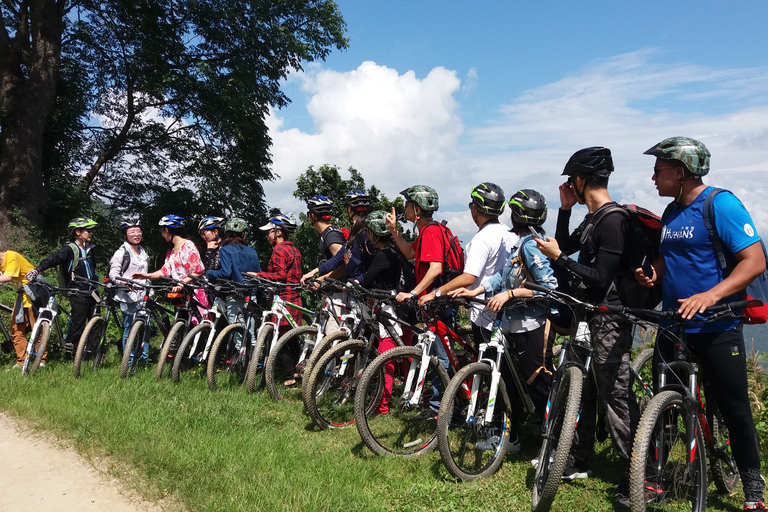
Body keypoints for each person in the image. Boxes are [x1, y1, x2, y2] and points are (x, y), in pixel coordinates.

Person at [636, 136, 766, 511]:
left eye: (659, 170)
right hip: (674, 325)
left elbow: (753, 260)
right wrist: (653, 273)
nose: (653, 177)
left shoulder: (720, 205)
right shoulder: (671, 213)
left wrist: (711, 295)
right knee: (661, 405)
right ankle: (656, 480)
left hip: (717, 326)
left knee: (736, 408)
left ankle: (753, 492)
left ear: (680, 172)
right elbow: (668, 257)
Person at [535, 147, 639, 503]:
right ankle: (578, 457)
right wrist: (564, 211)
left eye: (570, 181)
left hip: (609, 318)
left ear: (581, 179)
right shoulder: (593, 217)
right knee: (587, 390)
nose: (569, 186)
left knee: (616, 397)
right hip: (589, 316)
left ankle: (637, 472)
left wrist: (561, 260)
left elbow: (599, 277)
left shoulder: (612, 221)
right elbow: (563, 244)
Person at [451, 189, 557, 452]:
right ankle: (511, 437)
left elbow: (548, 287)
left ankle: (556, 446)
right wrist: (477, 290)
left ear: (518, 215)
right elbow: (503, 274)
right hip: (514, 323)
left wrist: (510, 293)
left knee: (538, 384)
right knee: (509, 382)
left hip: (532, 325)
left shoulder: (532, 244)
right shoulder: (521, 242)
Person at [385, 185, 458, 416]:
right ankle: (441, 407)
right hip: (433, 305)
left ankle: (442, 410)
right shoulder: (425, 231)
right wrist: (394, 231)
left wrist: (415, 292)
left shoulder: (431, 232)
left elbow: (435, 269)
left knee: (441, 360)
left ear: (416, 208)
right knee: (436, 356)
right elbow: (409, 253)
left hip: (438, 304)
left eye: (408, 204)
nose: (405, 208)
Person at [360, 210, 414, 414]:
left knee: (386, 358)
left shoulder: (382, 254)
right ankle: (416, 395)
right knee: (408, 355)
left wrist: (357, 284)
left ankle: (382, 404)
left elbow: (367, 281)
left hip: (390, 310)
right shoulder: (398, 251)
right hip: (406, 310)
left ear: (373, 233)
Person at [25, 217, 99, 356]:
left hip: (93, 290)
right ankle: (74, 353)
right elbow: (53, 259)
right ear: (78, 232)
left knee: (95, 322)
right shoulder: (69, 249)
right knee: (79, 323)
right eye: (88, 231)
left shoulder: (90, 249)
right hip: (78, 291)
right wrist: (38, 269)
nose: (91, 233)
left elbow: (92, 268)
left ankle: (93, 353)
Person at [132, 214, 207, 326]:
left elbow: (199, 270)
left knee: (192, 326)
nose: (162, 235)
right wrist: (146, 276)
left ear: (166, 230)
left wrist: (183, 283)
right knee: (180, 324)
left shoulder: (188, 246)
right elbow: (165, 271)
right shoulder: (171, 251)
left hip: (193, 294)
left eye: (162, 231)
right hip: (179, 294)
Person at [301, 190, 375, 285]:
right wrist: (313, 272)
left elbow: (344, 265)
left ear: (349, 209)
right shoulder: (357, 232)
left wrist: (358, 280)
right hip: (356, 288)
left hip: (363, 289)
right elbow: (339, 257)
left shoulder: (364, 232)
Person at [205, 217, 262, 339]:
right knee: (250, 330)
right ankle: (252, 355)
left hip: (234, 294)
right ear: (243, 234)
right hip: (250, 294)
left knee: (237, 331)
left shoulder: (226, 249)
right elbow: (259, 273)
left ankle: (239, 355)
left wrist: (210, 273)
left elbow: (225, 272)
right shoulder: (253, 251)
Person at [250, 215, 302, 334]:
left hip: (283, 299)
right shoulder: (294, 250)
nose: (267, 236)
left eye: (268, 233)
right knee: (291, 339)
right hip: (294, 299)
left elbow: (280, 275)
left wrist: (258, 275)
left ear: (278, 232)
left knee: (279, 337)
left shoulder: (278, 250)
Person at [108, 217, 149, 359]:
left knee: (145, 326)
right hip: (127, 295)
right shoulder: (121, 252)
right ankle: (129, 359)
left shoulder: (143, 251)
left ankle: (143, 357)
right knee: (129, 328)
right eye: (132, 232)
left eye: (138, 231)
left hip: (143, 294)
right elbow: (113, 273)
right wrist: (124, 282)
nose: (136, 234)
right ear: (125, 235)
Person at [0, 249, 39, 368]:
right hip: (21, 296)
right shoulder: (1, 265)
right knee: (16, 331)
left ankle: (40, 360)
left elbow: (7, 278)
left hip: (34, 294)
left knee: (37, 329)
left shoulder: (11, 257)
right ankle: (21, 362)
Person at [306, 195, 345, 266]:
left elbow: (343, 265)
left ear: (313, 215)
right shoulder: (328, 233)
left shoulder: (331, 236)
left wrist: (322, 277)